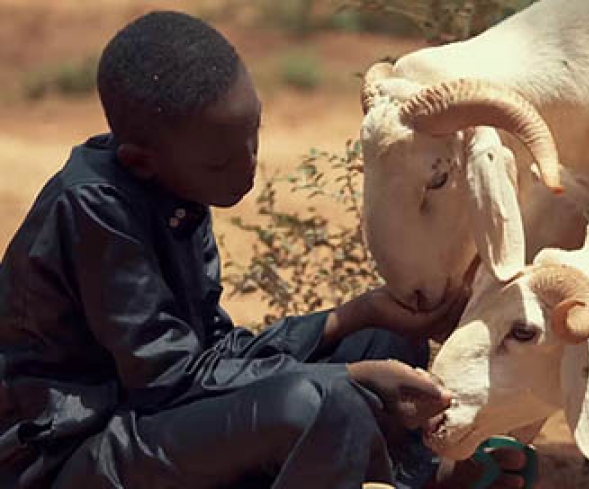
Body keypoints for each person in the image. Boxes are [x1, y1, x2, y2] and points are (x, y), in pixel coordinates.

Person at [0, 11, 530, 489]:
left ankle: (418, 475)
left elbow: (210, 353)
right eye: (219, 162)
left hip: (150, 417)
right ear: (141, 162)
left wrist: (354, 316)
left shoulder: (177, 187)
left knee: (378, 337)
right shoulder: (94, 210)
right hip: (74, 453)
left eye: (253, 134)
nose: (247, 166)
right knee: (324, 402)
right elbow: (172, 380)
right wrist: (341, 378)